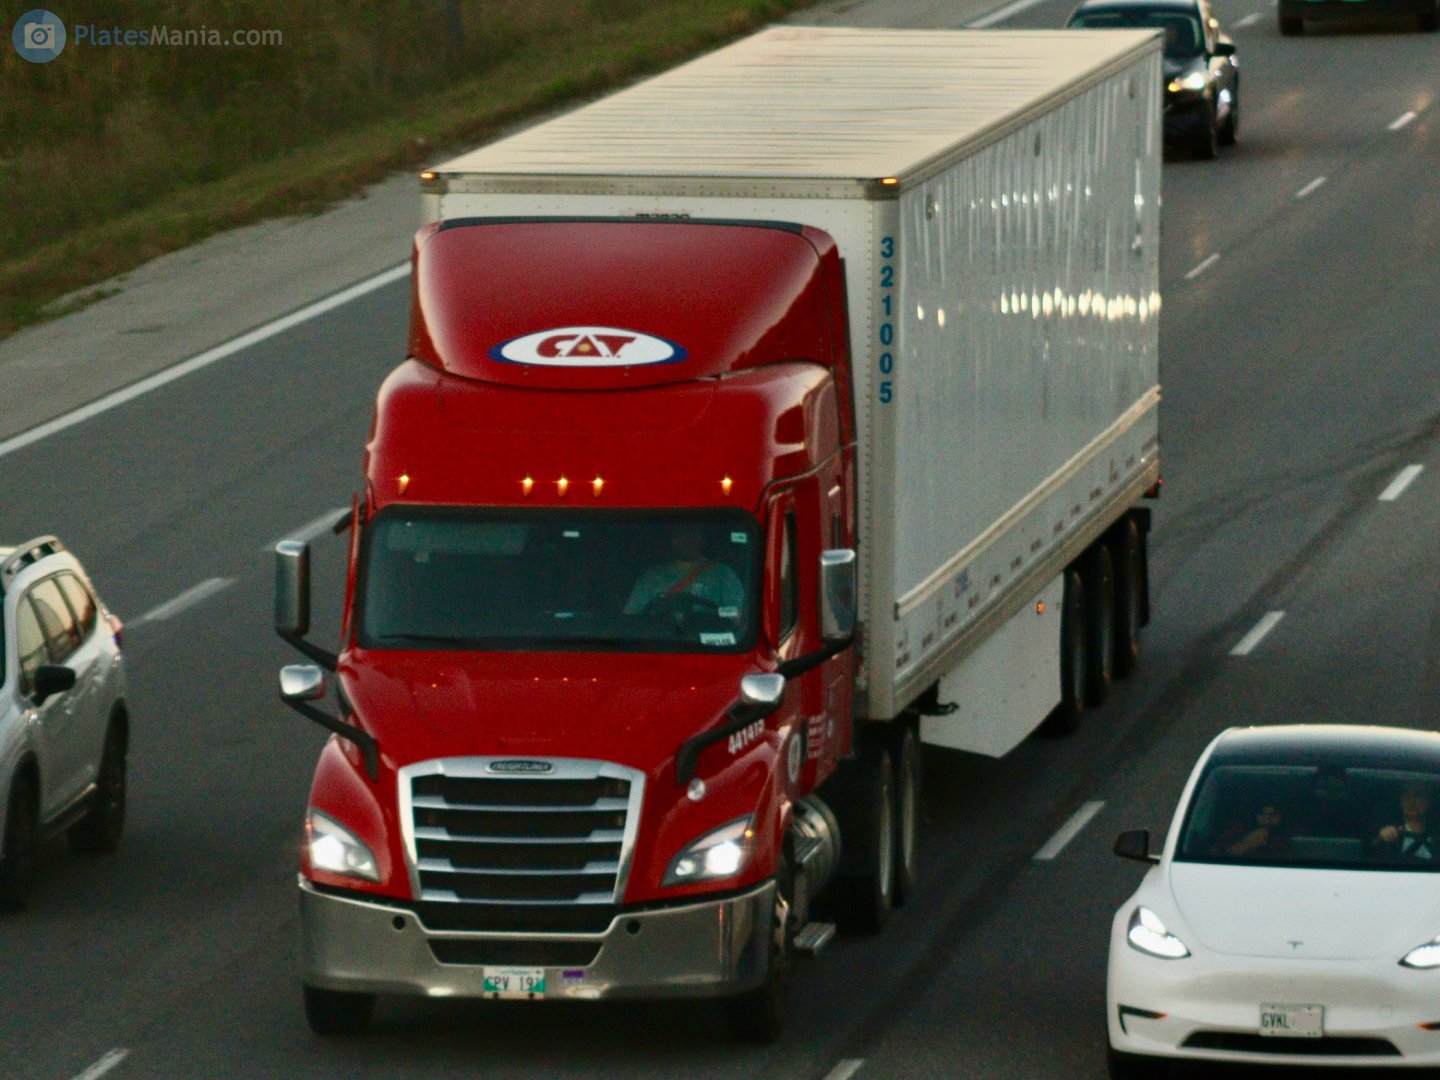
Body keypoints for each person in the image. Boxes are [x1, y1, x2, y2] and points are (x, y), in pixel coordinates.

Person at [623, 524, 745, 619]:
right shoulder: (652, 577)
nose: (687, 540)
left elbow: (737, 613)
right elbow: (631, 615)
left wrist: (712, 615)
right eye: (681, 534)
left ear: (702, 539)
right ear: (672, 539)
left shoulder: (723, 574)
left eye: (693, 534)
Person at [1372, 781, 1438, 861]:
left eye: (1418, 796)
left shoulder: (1436, 831)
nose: (1411, 802)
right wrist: (1381, 837)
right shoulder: (1388, 829)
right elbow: (1369, 851)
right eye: (1406, 795)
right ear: (1400, 800)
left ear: (1429, 800)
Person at [1218, 802, 1290, 858]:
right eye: (1262, 815)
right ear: (1255, 815)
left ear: (1280, 817)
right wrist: (1246, 843)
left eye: (1273, 815)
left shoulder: (1285, 839)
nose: (1267, 820)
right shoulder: (1236, 831)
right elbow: (1221, 852)